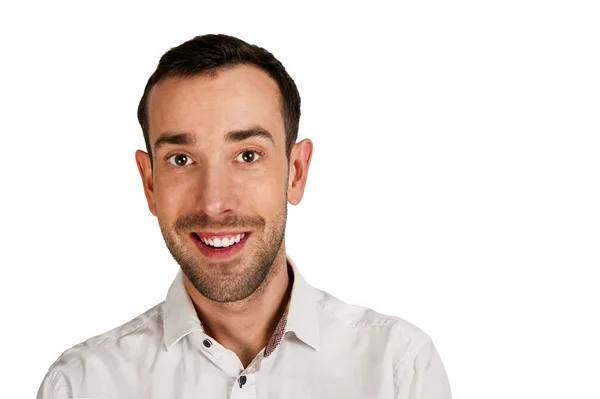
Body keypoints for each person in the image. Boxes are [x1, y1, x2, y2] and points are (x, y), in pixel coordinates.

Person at [37, 33, 452, 399]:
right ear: (149, 183)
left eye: (247, 155)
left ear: (296, 172)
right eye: (181, 159)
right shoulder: (80, 386)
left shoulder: (399, 370)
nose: (214, 203)